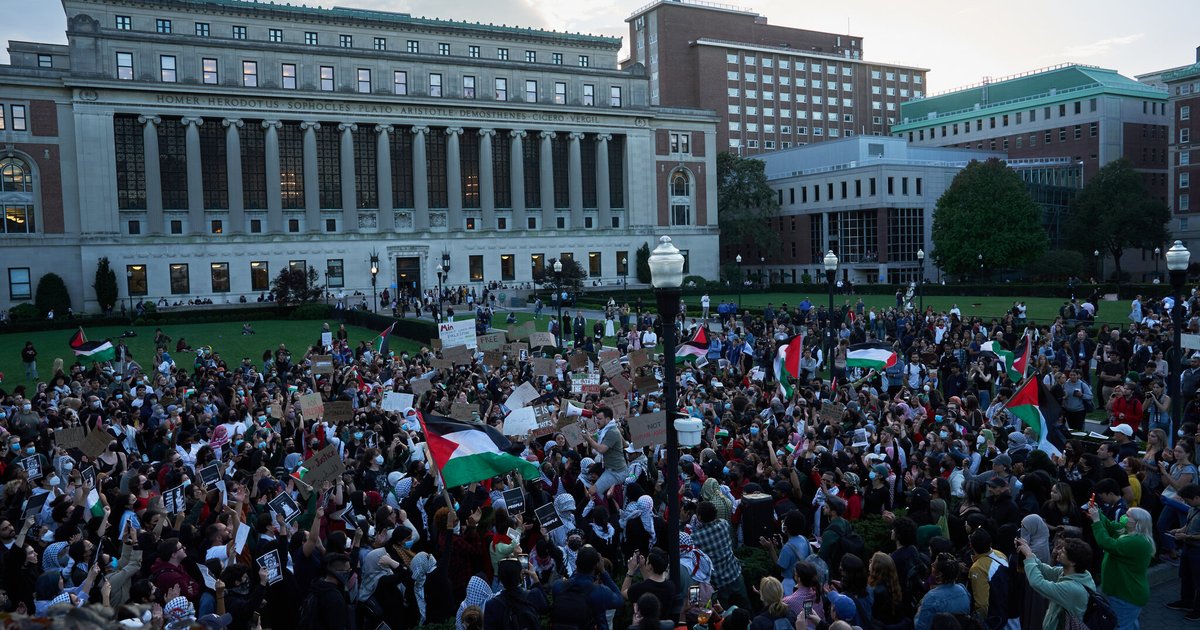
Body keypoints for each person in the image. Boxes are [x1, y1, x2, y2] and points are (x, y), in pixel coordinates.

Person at [1089, 505, 1154, 629]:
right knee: (1130, 623)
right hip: (1125, 592)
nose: (1124, 517)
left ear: (1137, 523)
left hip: (1126, 594)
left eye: (1128, 516)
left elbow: (1106, 543)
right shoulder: (1127, 531)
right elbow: (1109, 525)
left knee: (1120, 625)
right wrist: (1098, 512)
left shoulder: (1137, 541)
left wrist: (1096, 521)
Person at [1017, 536, 1095, 630]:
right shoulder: (1076, 573)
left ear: (1073, 562)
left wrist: (1029, 556)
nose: (1058, 552)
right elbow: (1044, 569)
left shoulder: (1072, 589)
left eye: (1063, 552)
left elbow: (1037, 583)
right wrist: (1027, 552)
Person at [549, 545, 624, 630]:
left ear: (576, 563)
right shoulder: (600, 591)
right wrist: (603, 571)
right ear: (596, 565)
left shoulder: (558, 586)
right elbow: (620, 600)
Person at [483, 558, 548, 630]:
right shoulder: (533, 595)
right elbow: (546, 608)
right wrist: (535, 579)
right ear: (520, 576)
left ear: (500, 578)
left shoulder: (492, 605)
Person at [1168, 484, 1200, 621]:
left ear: (1197, 497)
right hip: (1188, 548)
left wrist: (1188, 537)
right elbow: (1189, 524)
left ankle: (1198, 610)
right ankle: (1186, 601)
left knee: (1198, 581)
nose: (1186, 503)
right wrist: (1180, 530)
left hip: (1198, 550)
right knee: (1186, 575)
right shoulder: (1193, 508)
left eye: (1188, 500)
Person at [913, 553, 970, 630]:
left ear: (940, 574)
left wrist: (918, 613)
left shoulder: (931, 597)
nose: (932, 564)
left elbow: (920, 627)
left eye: (934, 565)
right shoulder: (963, 589)